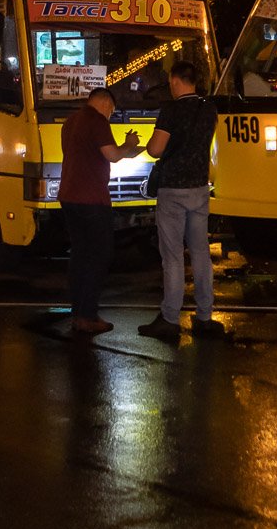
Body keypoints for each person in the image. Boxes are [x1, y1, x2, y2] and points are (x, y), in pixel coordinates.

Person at [138, 61, 223, 341]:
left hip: (172, 190)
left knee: (173, 257)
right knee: (200, 254)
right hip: (199, 188)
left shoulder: (172, 110)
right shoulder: (208, 108)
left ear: (175, 81)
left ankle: (170, 318)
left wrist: (150, 143)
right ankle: (204, 317)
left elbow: (155, 149)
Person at [59, 87, 142, 334]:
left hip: (68, 197)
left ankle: (78, 312)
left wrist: (131, 149)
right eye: (112, 111)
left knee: (80, 254)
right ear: (106, 104)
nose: (111, 115)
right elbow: (113, 155)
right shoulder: (96, 121)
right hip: (91, 199)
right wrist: (129, 144)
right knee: (100, 255)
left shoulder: (71, 121)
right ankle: (87, 315)